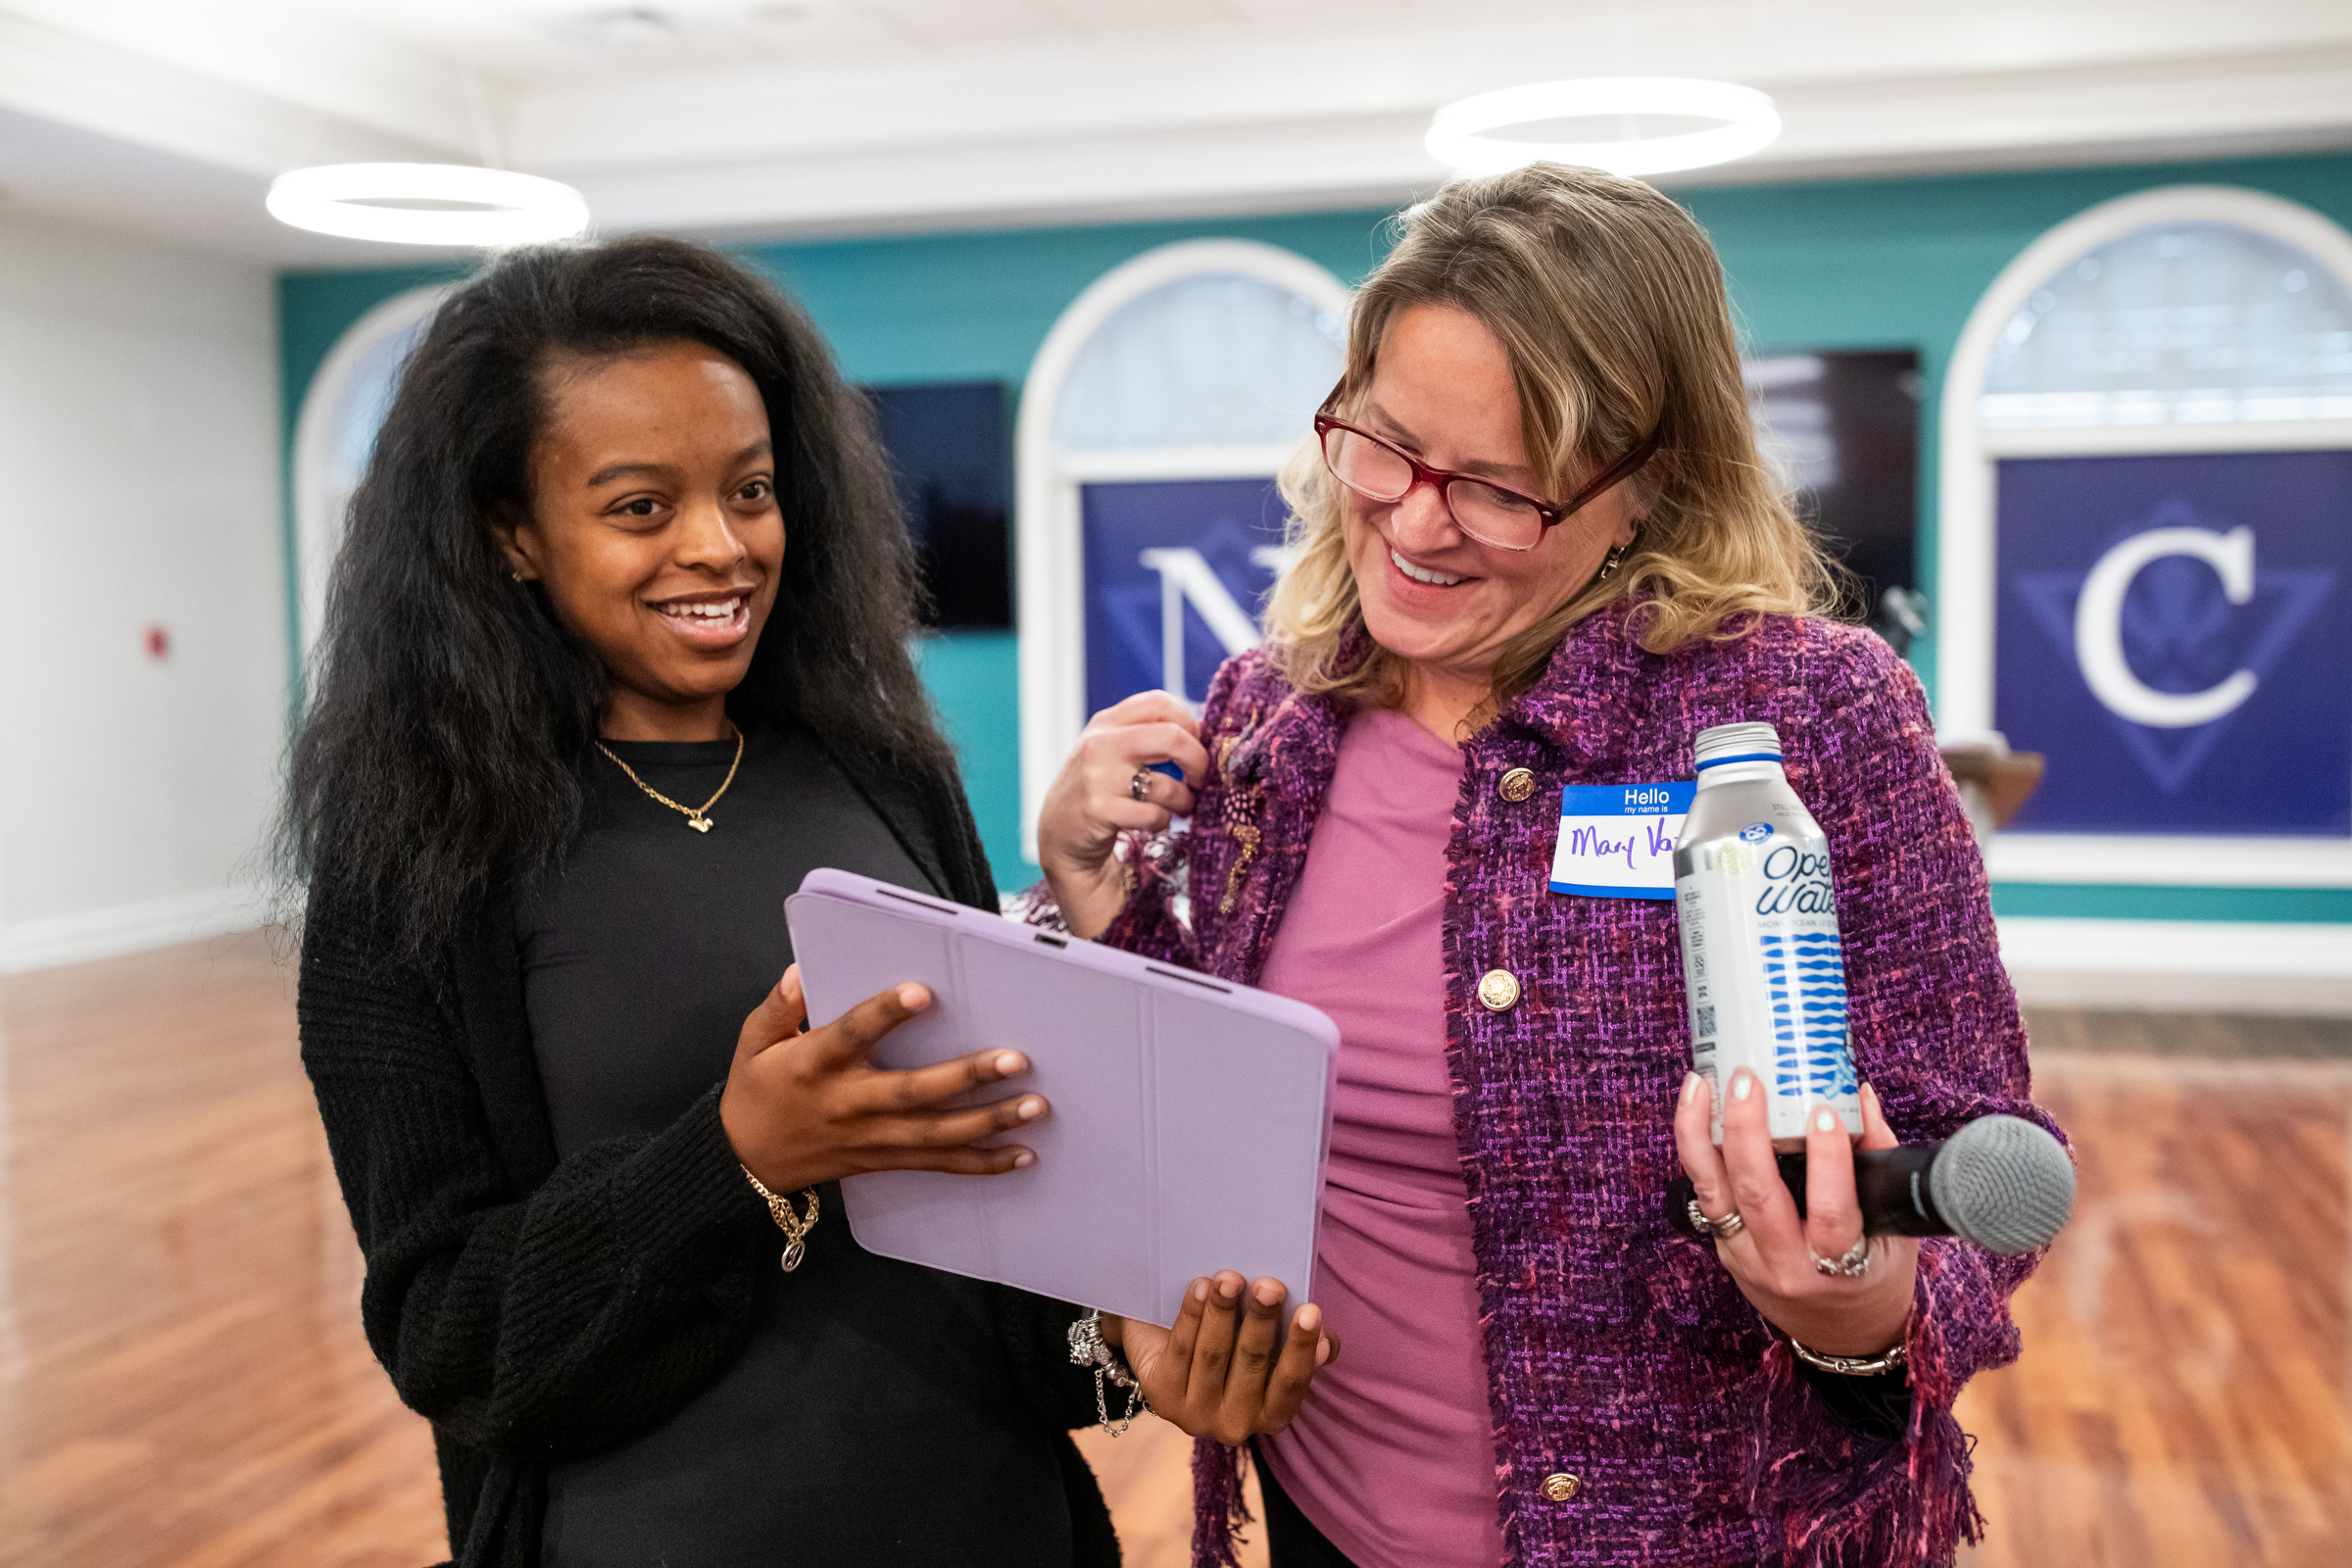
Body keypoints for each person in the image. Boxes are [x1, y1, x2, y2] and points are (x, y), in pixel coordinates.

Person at [1037, 165, 2062, 1568]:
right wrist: (1094, 893)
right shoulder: (1270, 717)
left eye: (1499, 489)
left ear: (1647, 487)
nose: (1414, 523)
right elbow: (1204, 1081)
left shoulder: (1815, 712)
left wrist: (1863, 1317)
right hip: (1327, 1511)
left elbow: (1979, 1149)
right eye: (1386, 446)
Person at [287, 236, 1317, 1568]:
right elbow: (452, 1341)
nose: (719, 547)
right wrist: (736, 1162)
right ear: (512, 532)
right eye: (640, 507)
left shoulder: (884, 771)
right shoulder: (413, 863)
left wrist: (1121, 1342)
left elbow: (996, 1218)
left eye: (752, 489)